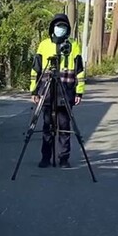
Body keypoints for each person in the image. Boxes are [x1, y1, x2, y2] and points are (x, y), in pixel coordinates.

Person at [29, 13, 85, 169]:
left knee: (64, 127)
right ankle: (45, 158)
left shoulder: (73, 46)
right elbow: (36, 69)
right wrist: (34, 91)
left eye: (63, 26)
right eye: (58, 26)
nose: (60, 29)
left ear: (67, 29)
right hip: (47, 92)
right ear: (52, 27)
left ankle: (63, 158)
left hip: (66, 92)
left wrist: (79, 92)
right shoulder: (44, 45)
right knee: (47, 126)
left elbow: (79, 71)